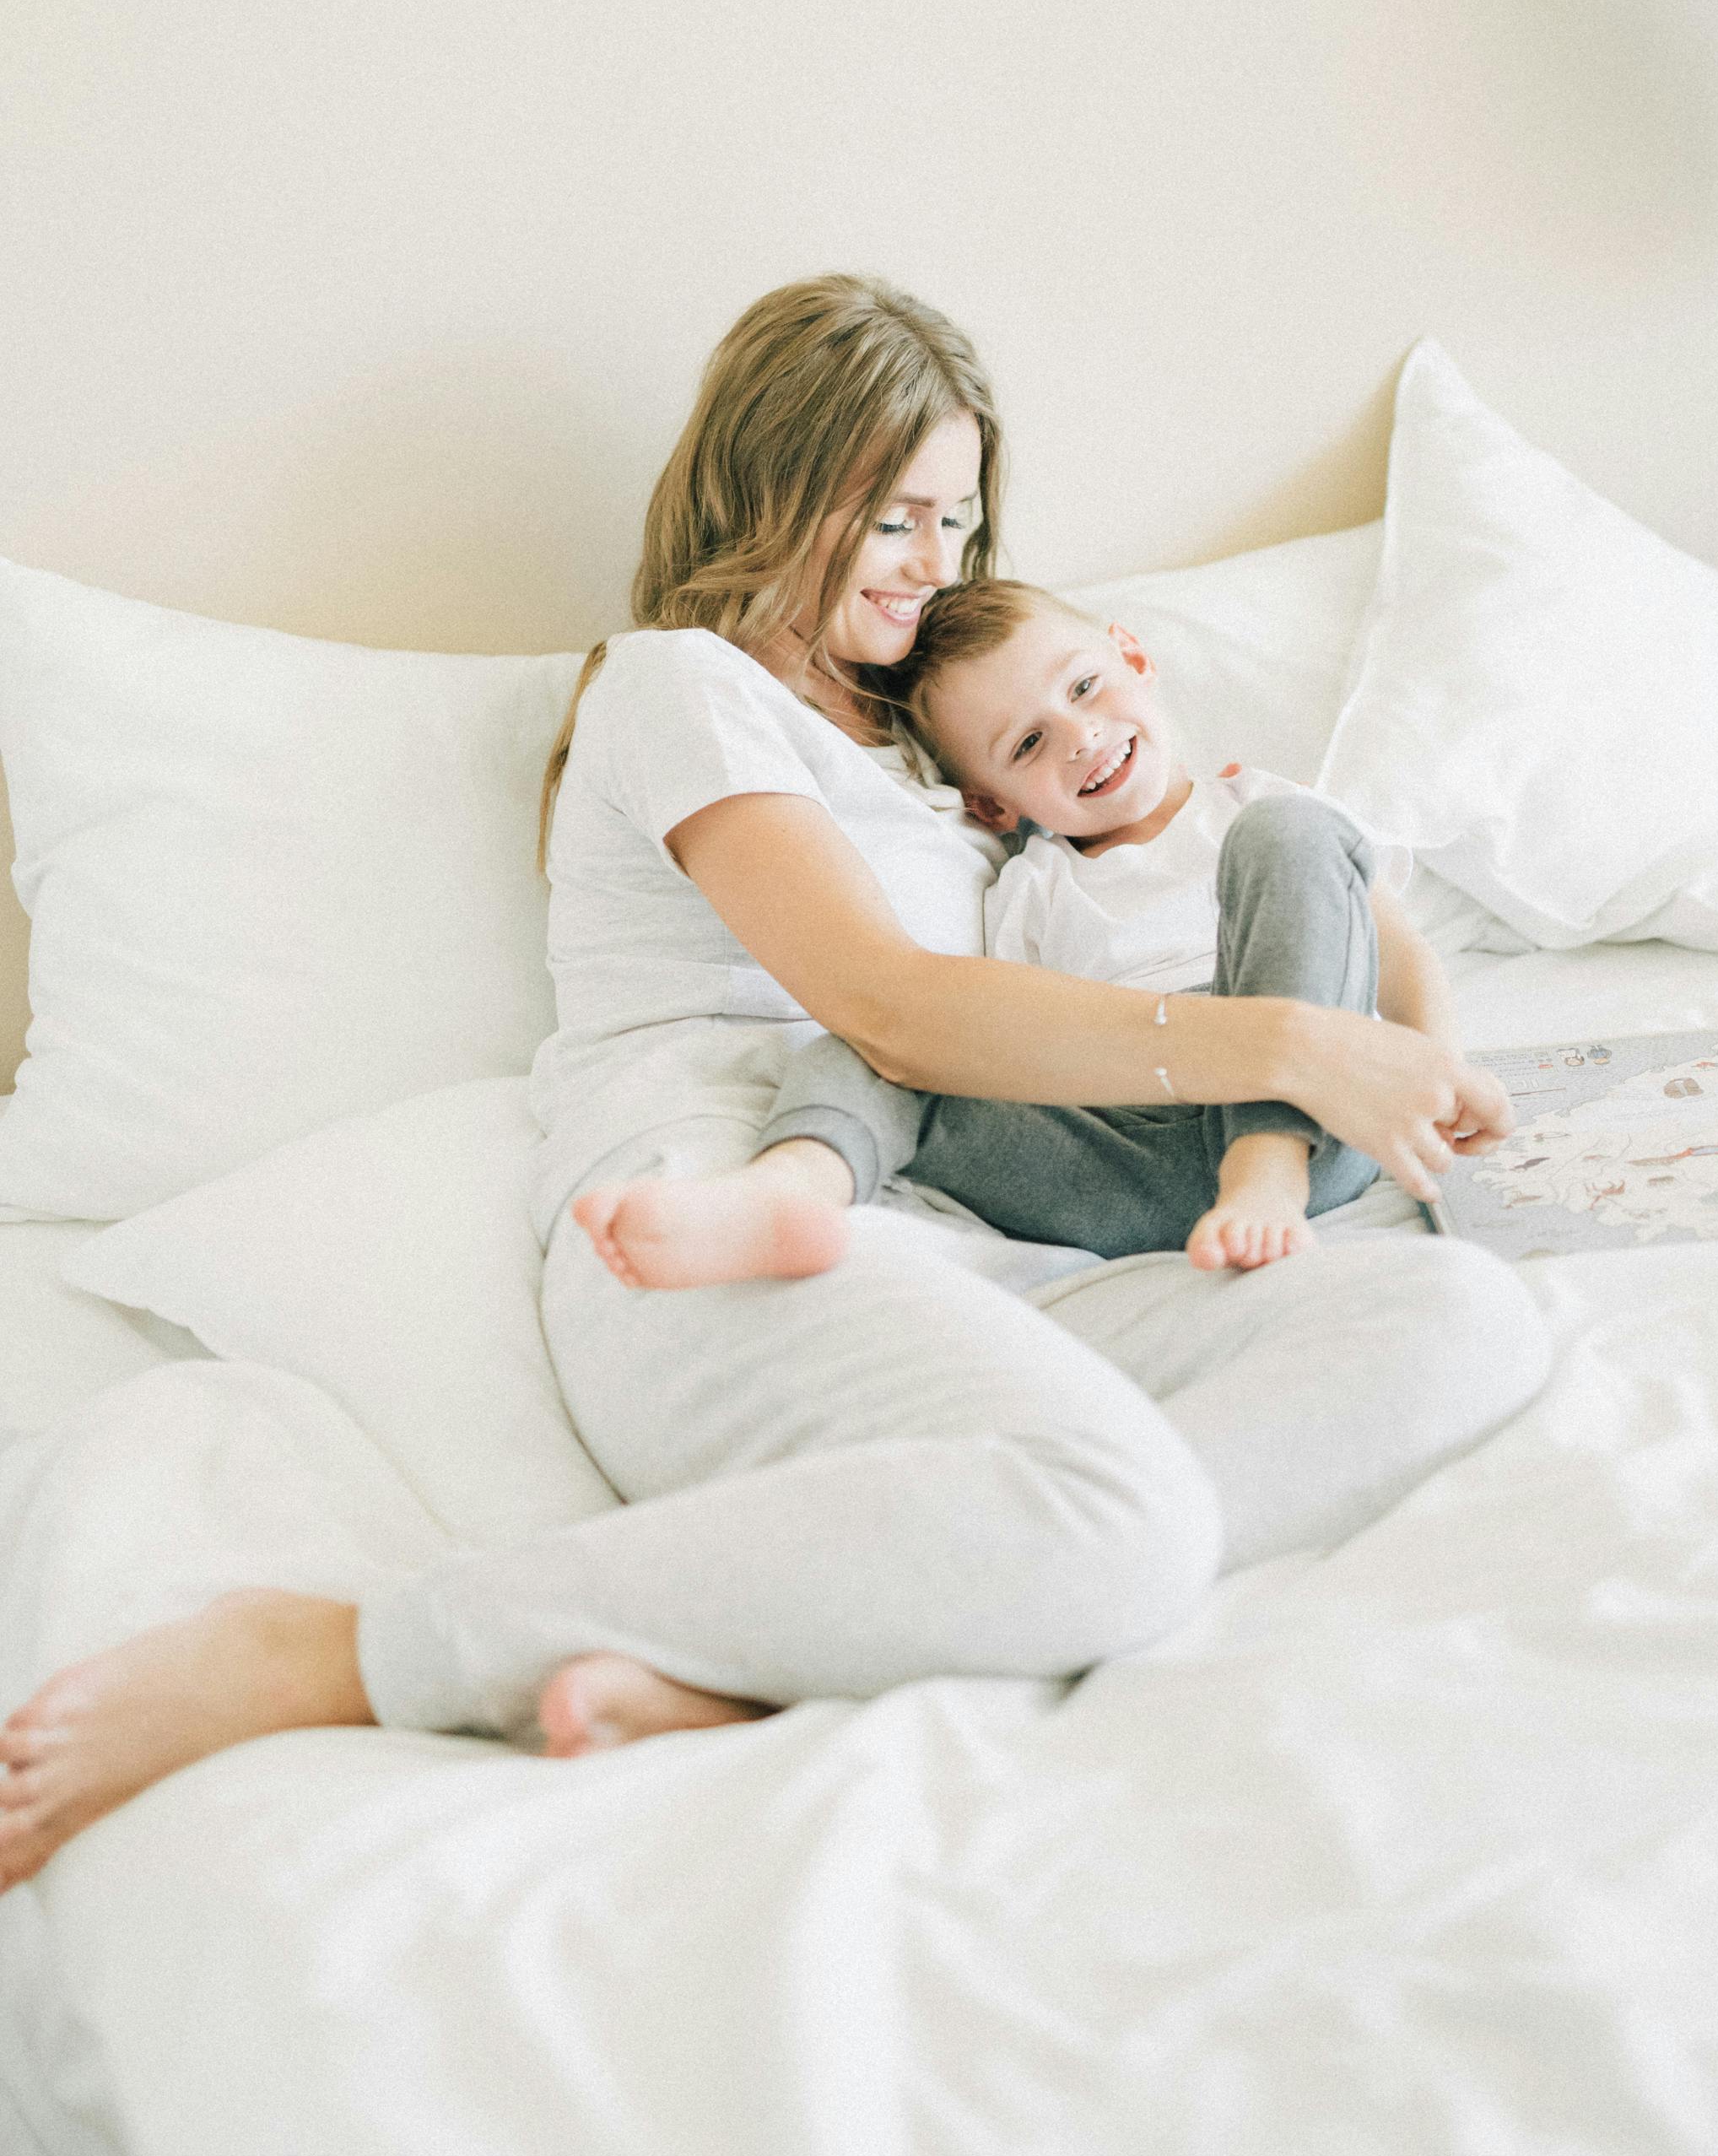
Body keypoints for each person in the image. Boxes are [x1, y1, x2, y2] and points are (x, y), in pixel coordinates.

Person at [0, 278, 1550, 1893]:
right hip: (722, 1209)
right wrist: (1288, 1047)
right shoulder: (680, 685)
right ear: (772, 485)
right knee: (1123, 1518)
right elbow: (887, 1011)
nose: (931, 566)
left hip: (980, 1234)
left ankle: (770, 1656)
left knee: (1463, 1323)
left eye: (954, 523)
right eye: (891, 517)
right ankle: (353, 1649)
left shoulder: (939, 755)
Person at [581, 578, 1495, 1287]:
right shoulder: (1027, 890)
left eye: (1086, 686)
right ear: (988, 801)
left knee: (1290, 836)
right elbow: (996, 1049)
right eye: (1026, 745)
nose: (1081, 737)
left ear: (1132, 655)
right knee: (883, 1039)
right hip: (1117, 1160)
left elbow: (1391, 946)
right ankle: (794, 1186)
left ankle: (1264, 1166)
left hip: (1313, 1118)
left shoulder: (1253, 805)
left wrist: (1437, 1070)